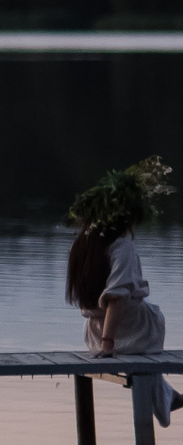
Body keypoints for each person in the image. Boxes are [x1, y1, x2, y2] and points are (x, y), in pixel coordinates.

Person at [69, 156, 175, 428]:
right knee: (154, 316)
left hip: (93, 333)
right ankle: (165, 399)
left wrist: (102, 340)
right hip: (124, 333)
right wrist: (108, 343)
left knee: (144, 357)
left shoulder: (83, 244)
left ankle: (168, 396)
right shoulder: (122, 246)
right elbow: (116, 297)